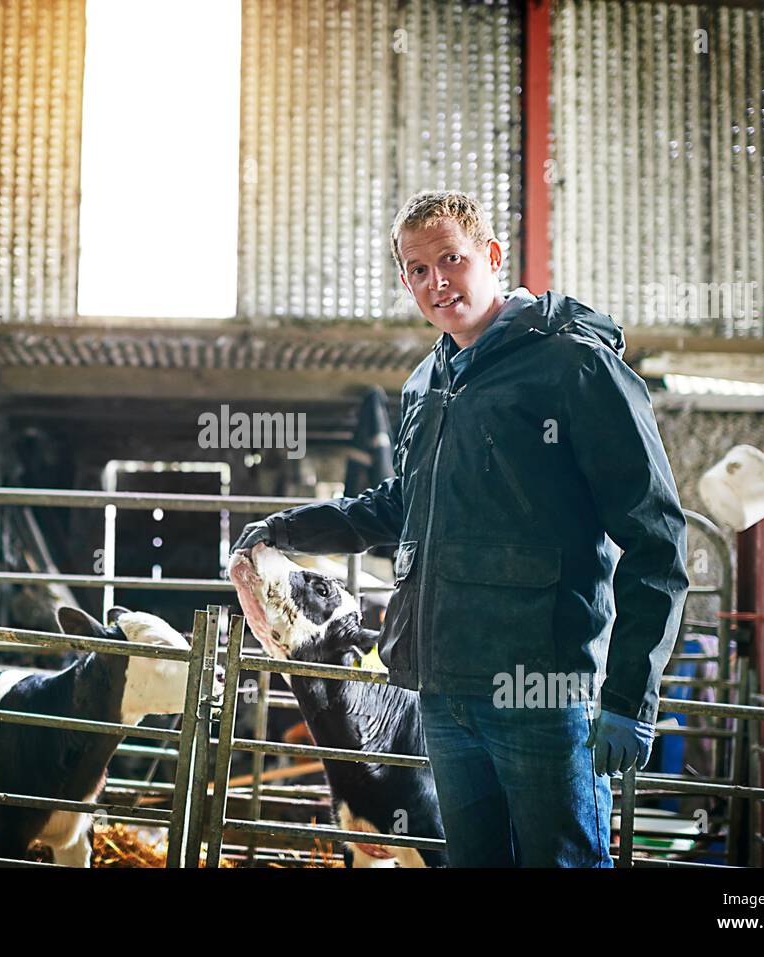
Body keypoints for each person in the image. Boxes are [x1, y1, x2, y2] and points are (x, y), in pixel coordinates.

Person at [230, 189, 690, 867]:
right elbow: (401, 505)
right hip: (443, 693)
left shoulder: (574, 365)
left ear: (493, 257)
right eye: (418, 270)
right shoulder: (427, 381)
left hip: (542, 691)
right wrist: (287, 528)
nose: (437, 281)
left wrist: (629, 694)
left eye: (452, 259)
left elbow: (657, 533)